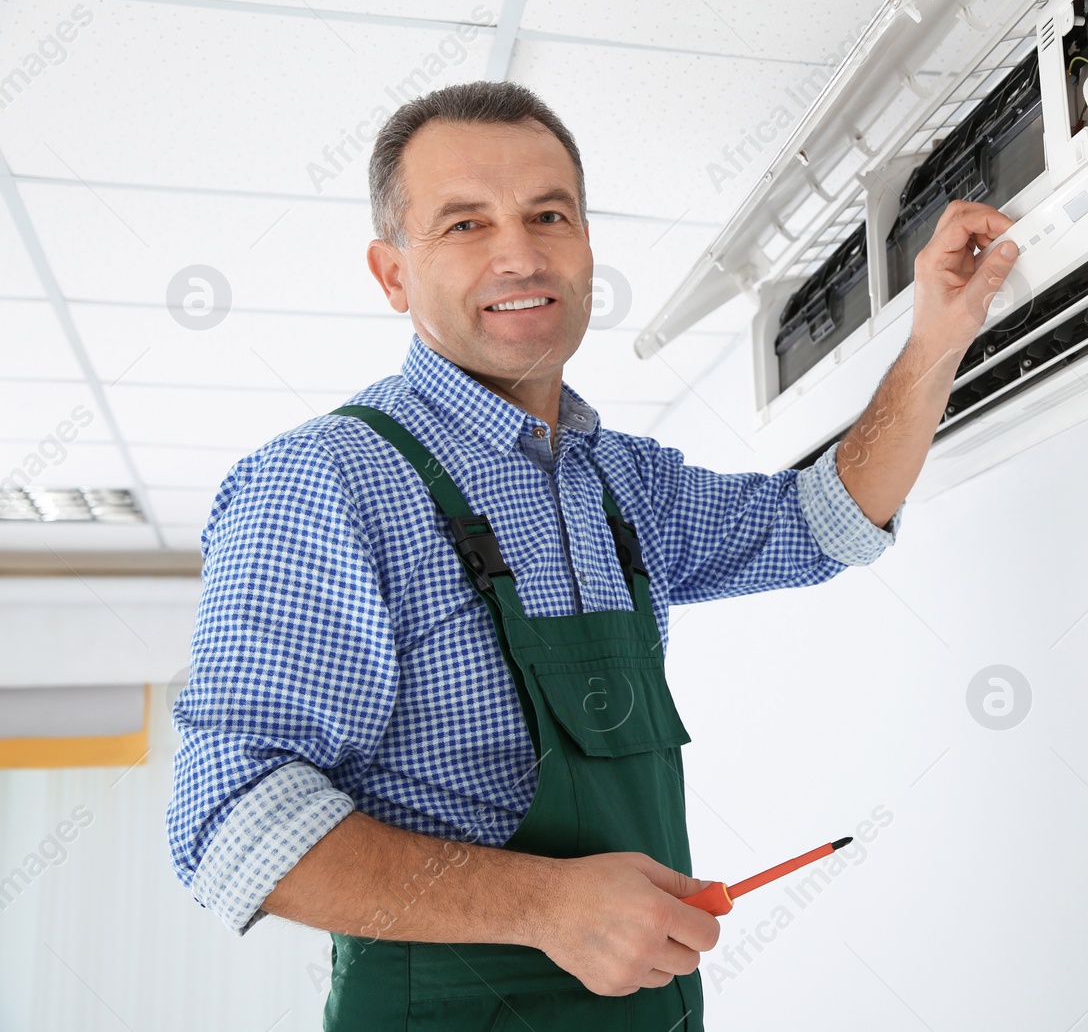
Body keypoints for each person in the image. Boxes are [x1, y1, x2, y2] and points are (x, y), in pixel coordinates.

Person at [165, 79, 1018, 1031]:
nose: (519, 252)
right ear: (393, 273)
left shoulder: (622, 482)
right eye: (463, 224)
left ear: (585, 245)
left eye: (548, 214)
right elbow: (232, 823)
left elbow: (823, 522)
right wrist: (548, 907)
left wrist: (936, 339)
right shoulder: (322, 483)